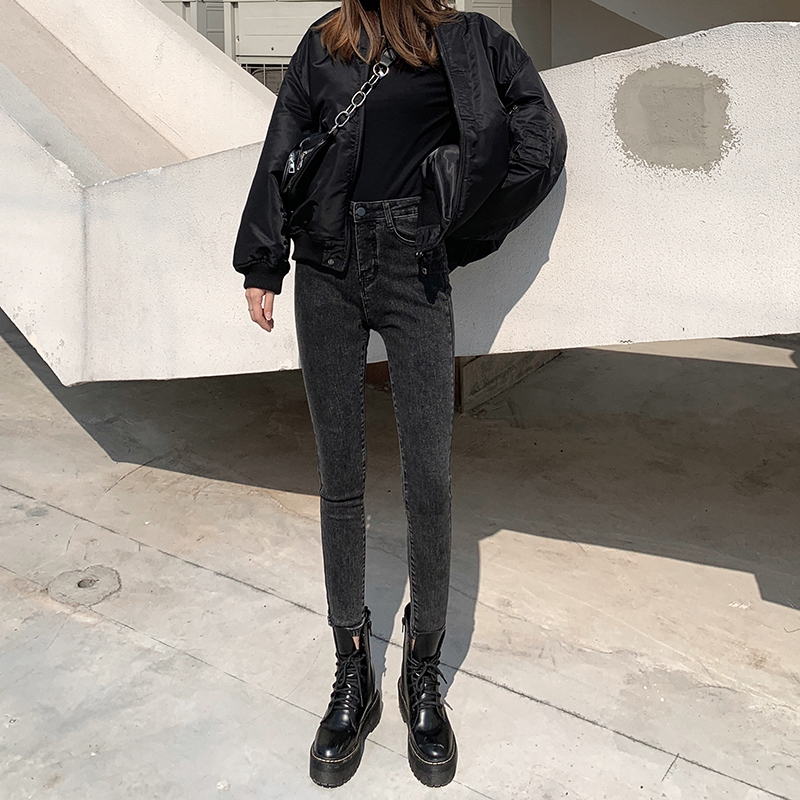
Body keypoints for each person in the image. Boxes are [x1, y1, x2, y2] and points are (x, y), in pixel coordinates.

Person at [232, 0, 566, 789]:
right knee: (340, 478)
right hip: (325, 268)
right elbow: (283, 144)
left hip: (416, 266)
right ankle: (353, 665)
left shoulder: (464, 39)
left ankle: (423, 667)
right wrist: (262, 260)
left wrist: (463, 219)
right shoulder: (325, 41)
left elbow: (539, 135)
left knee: (429, 481)